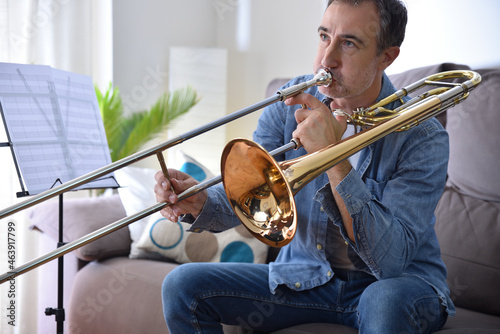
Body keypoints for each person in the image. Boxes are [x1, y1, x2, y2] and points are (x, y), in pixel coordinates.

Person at [154, 0, 454, 333]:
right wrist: (198, 201)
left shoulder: (424, 136)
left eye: (349, 43)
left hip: (397, 286)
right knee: (181, 285)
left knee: (384, 300)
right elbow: (250, 198)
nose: (327, 59)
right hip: (304, 279)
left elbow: (389, 262)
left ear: (386, 56)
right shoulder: (289, 104)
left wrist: (332, 154)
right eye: (325, 36)